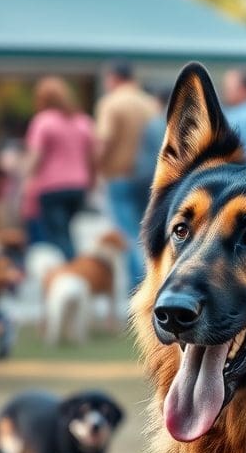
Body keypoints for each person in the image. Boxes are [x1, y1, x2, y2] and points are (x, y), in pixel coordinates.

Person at [94, 60, 161, 287]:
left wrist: (95, 170)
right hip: (150, 177)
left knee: (128, 234)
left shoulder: (111, 103)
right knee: (147, 232)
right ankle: (154, 279)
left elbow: (104, 141)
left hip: (119, 177)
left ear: (113, 78)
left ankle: (141, 285)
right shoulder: (150, 103)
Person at [24, 76, 96, 259]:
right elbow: (93, 156)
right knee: (68, 232)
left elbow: (35, 157)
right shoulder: (83, 121)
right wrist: (92, 182)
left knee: (58, 236)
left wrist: (25, 179)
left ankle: (71, 270)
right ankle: (74, 267)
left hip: (51, 188)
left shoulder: (43, 121)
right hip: (78, 186)